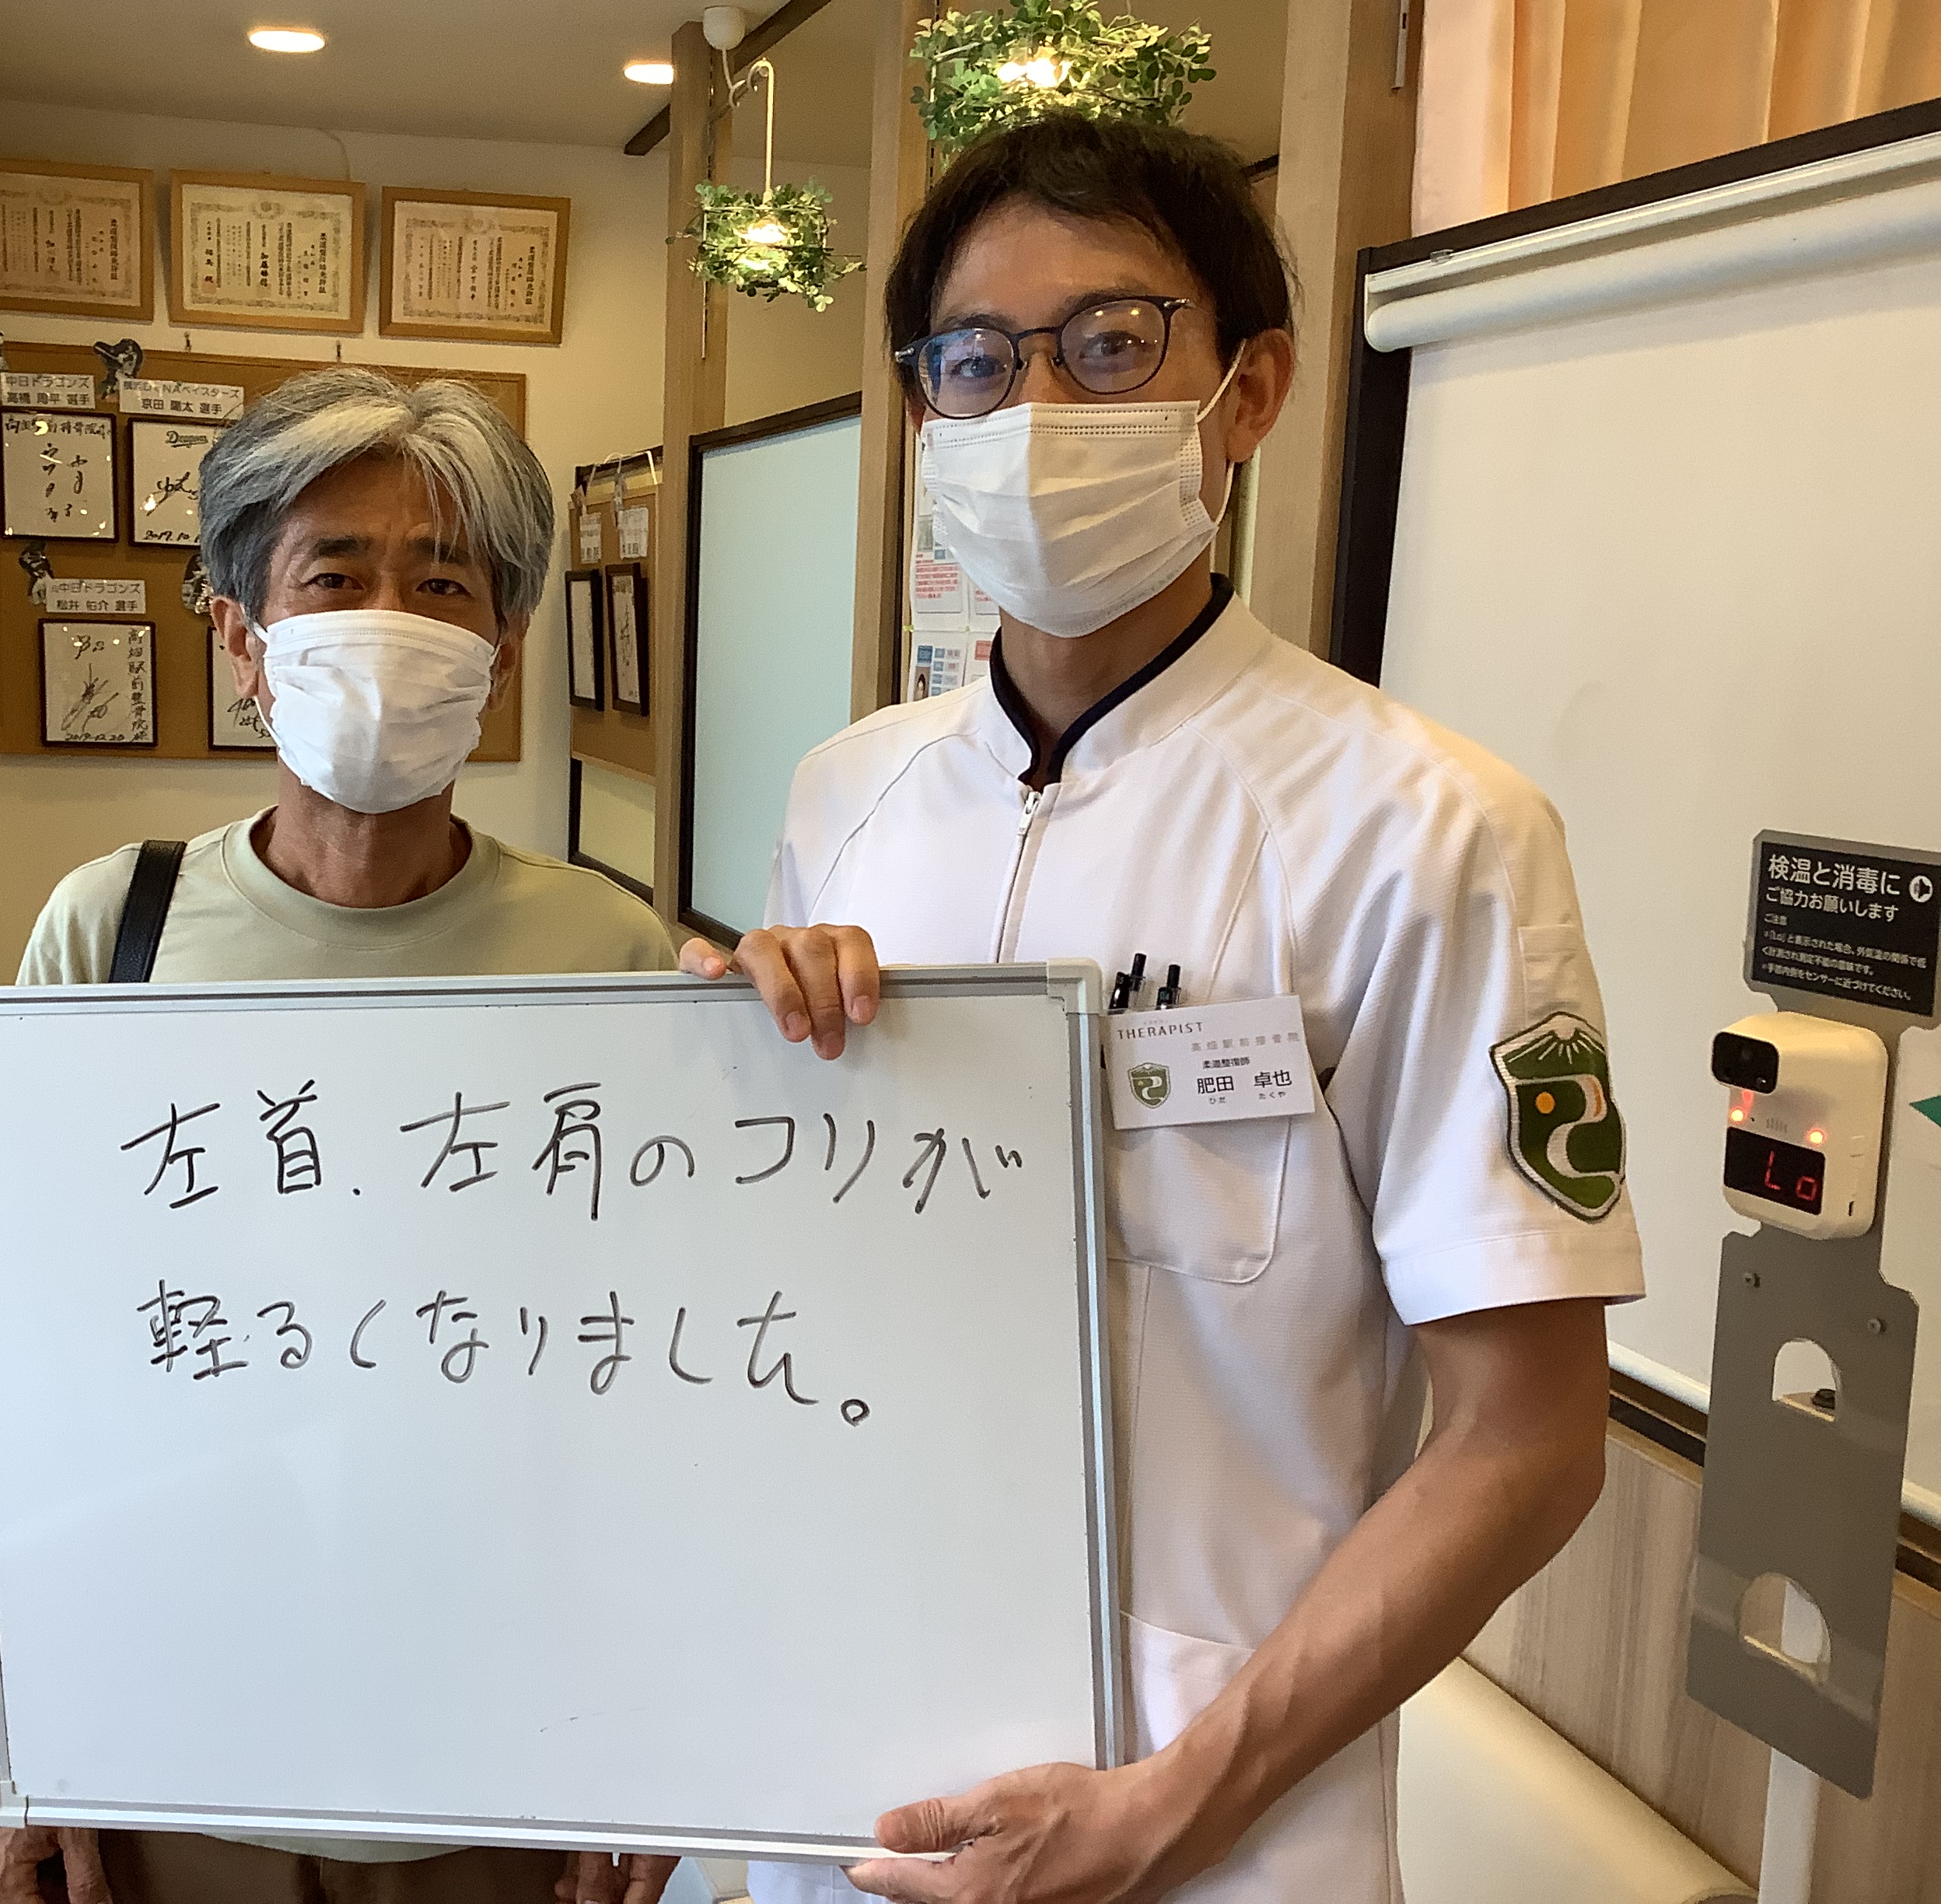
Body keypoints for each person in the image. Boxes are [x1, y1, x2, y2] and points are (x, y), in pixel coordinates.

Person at [681, 118, 1642, 1902]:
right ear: (927, 412)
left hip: (1222, 1832)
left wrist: (1176, 1803)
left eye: (1111, 343)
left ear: (1247, 392)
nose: (1036, 403)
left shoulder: (1426, 827)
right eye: (978, 361)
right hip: (850, 1783)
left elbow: (1529, 1443)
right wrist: (712, 1088)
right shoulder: (848, 798)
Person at [0, 367, 681, 1904]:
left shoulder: (610, 956)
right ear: (240, 634)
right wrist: (29, 1739)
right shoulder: (110, 938)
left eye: (443, 584)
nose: (391, 619)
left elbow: (657, 1386)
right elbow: (34, 1366)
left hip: (507, 1737)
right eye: (334, 575)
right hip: (186, 1725)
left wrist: (658, 1718)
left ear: (504, 646)